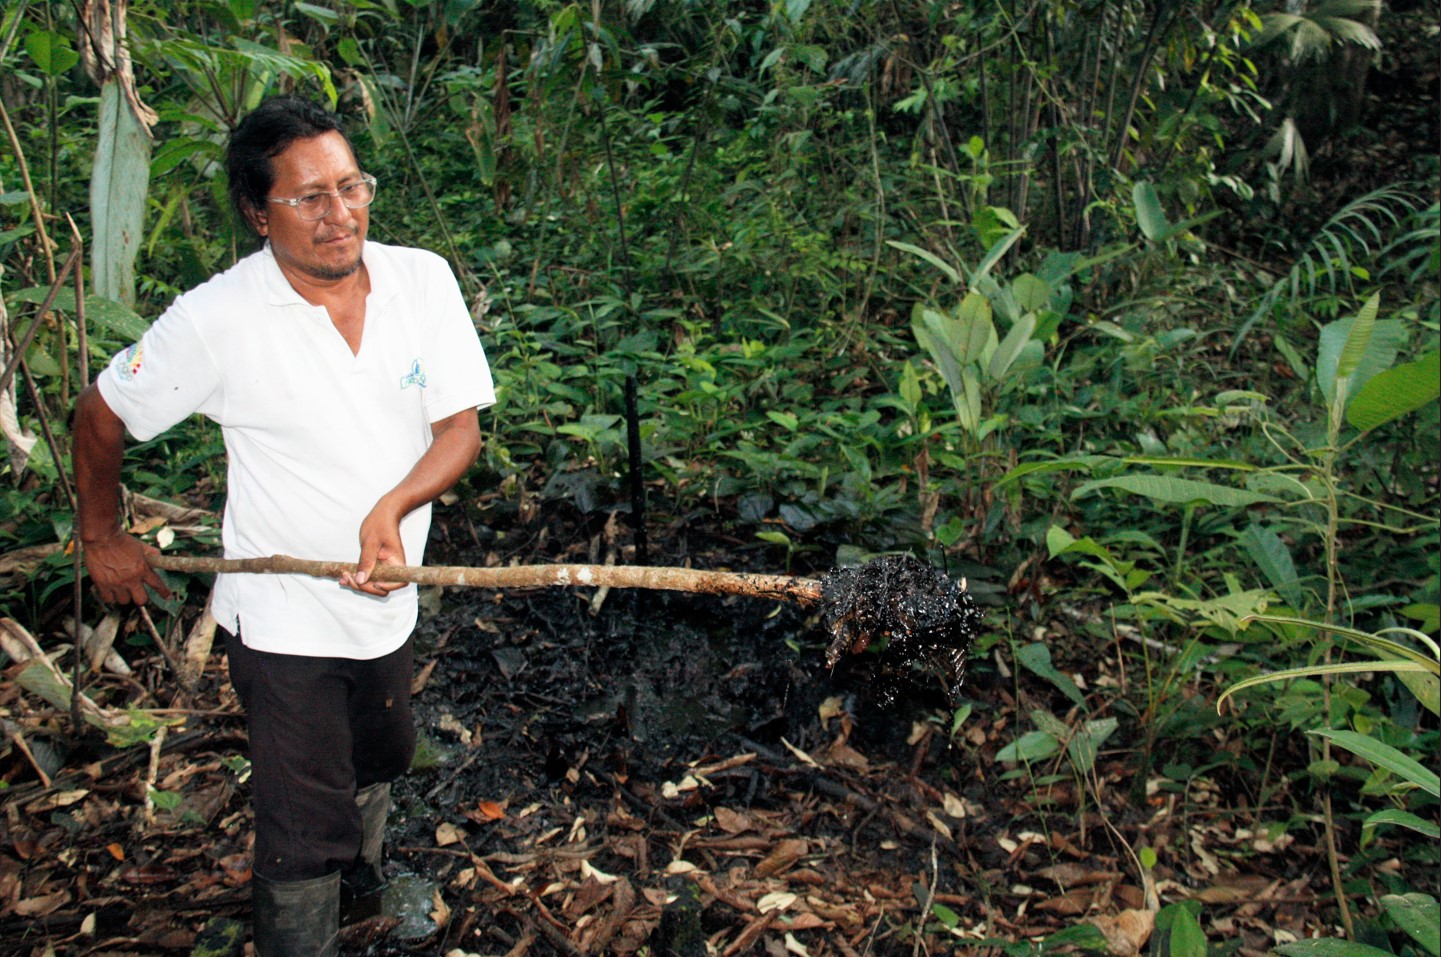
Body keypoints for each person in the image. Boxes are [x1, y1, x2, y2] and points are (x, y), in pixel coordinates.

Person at [72, 94, 495, 956]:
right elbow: (99, 413)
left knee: (381, 754)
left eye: (351, 186)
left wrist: (392, 506)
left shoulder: (421, 279)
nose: (340, 217)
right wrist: (101, 536)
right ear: (258, 215)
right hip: (285, 622)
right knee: (302, 823)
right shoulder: (216, 318)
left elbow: (459, 428)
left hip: (388, 596)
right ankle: (300, 932)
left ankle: (364, 895)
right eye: (310, 198)